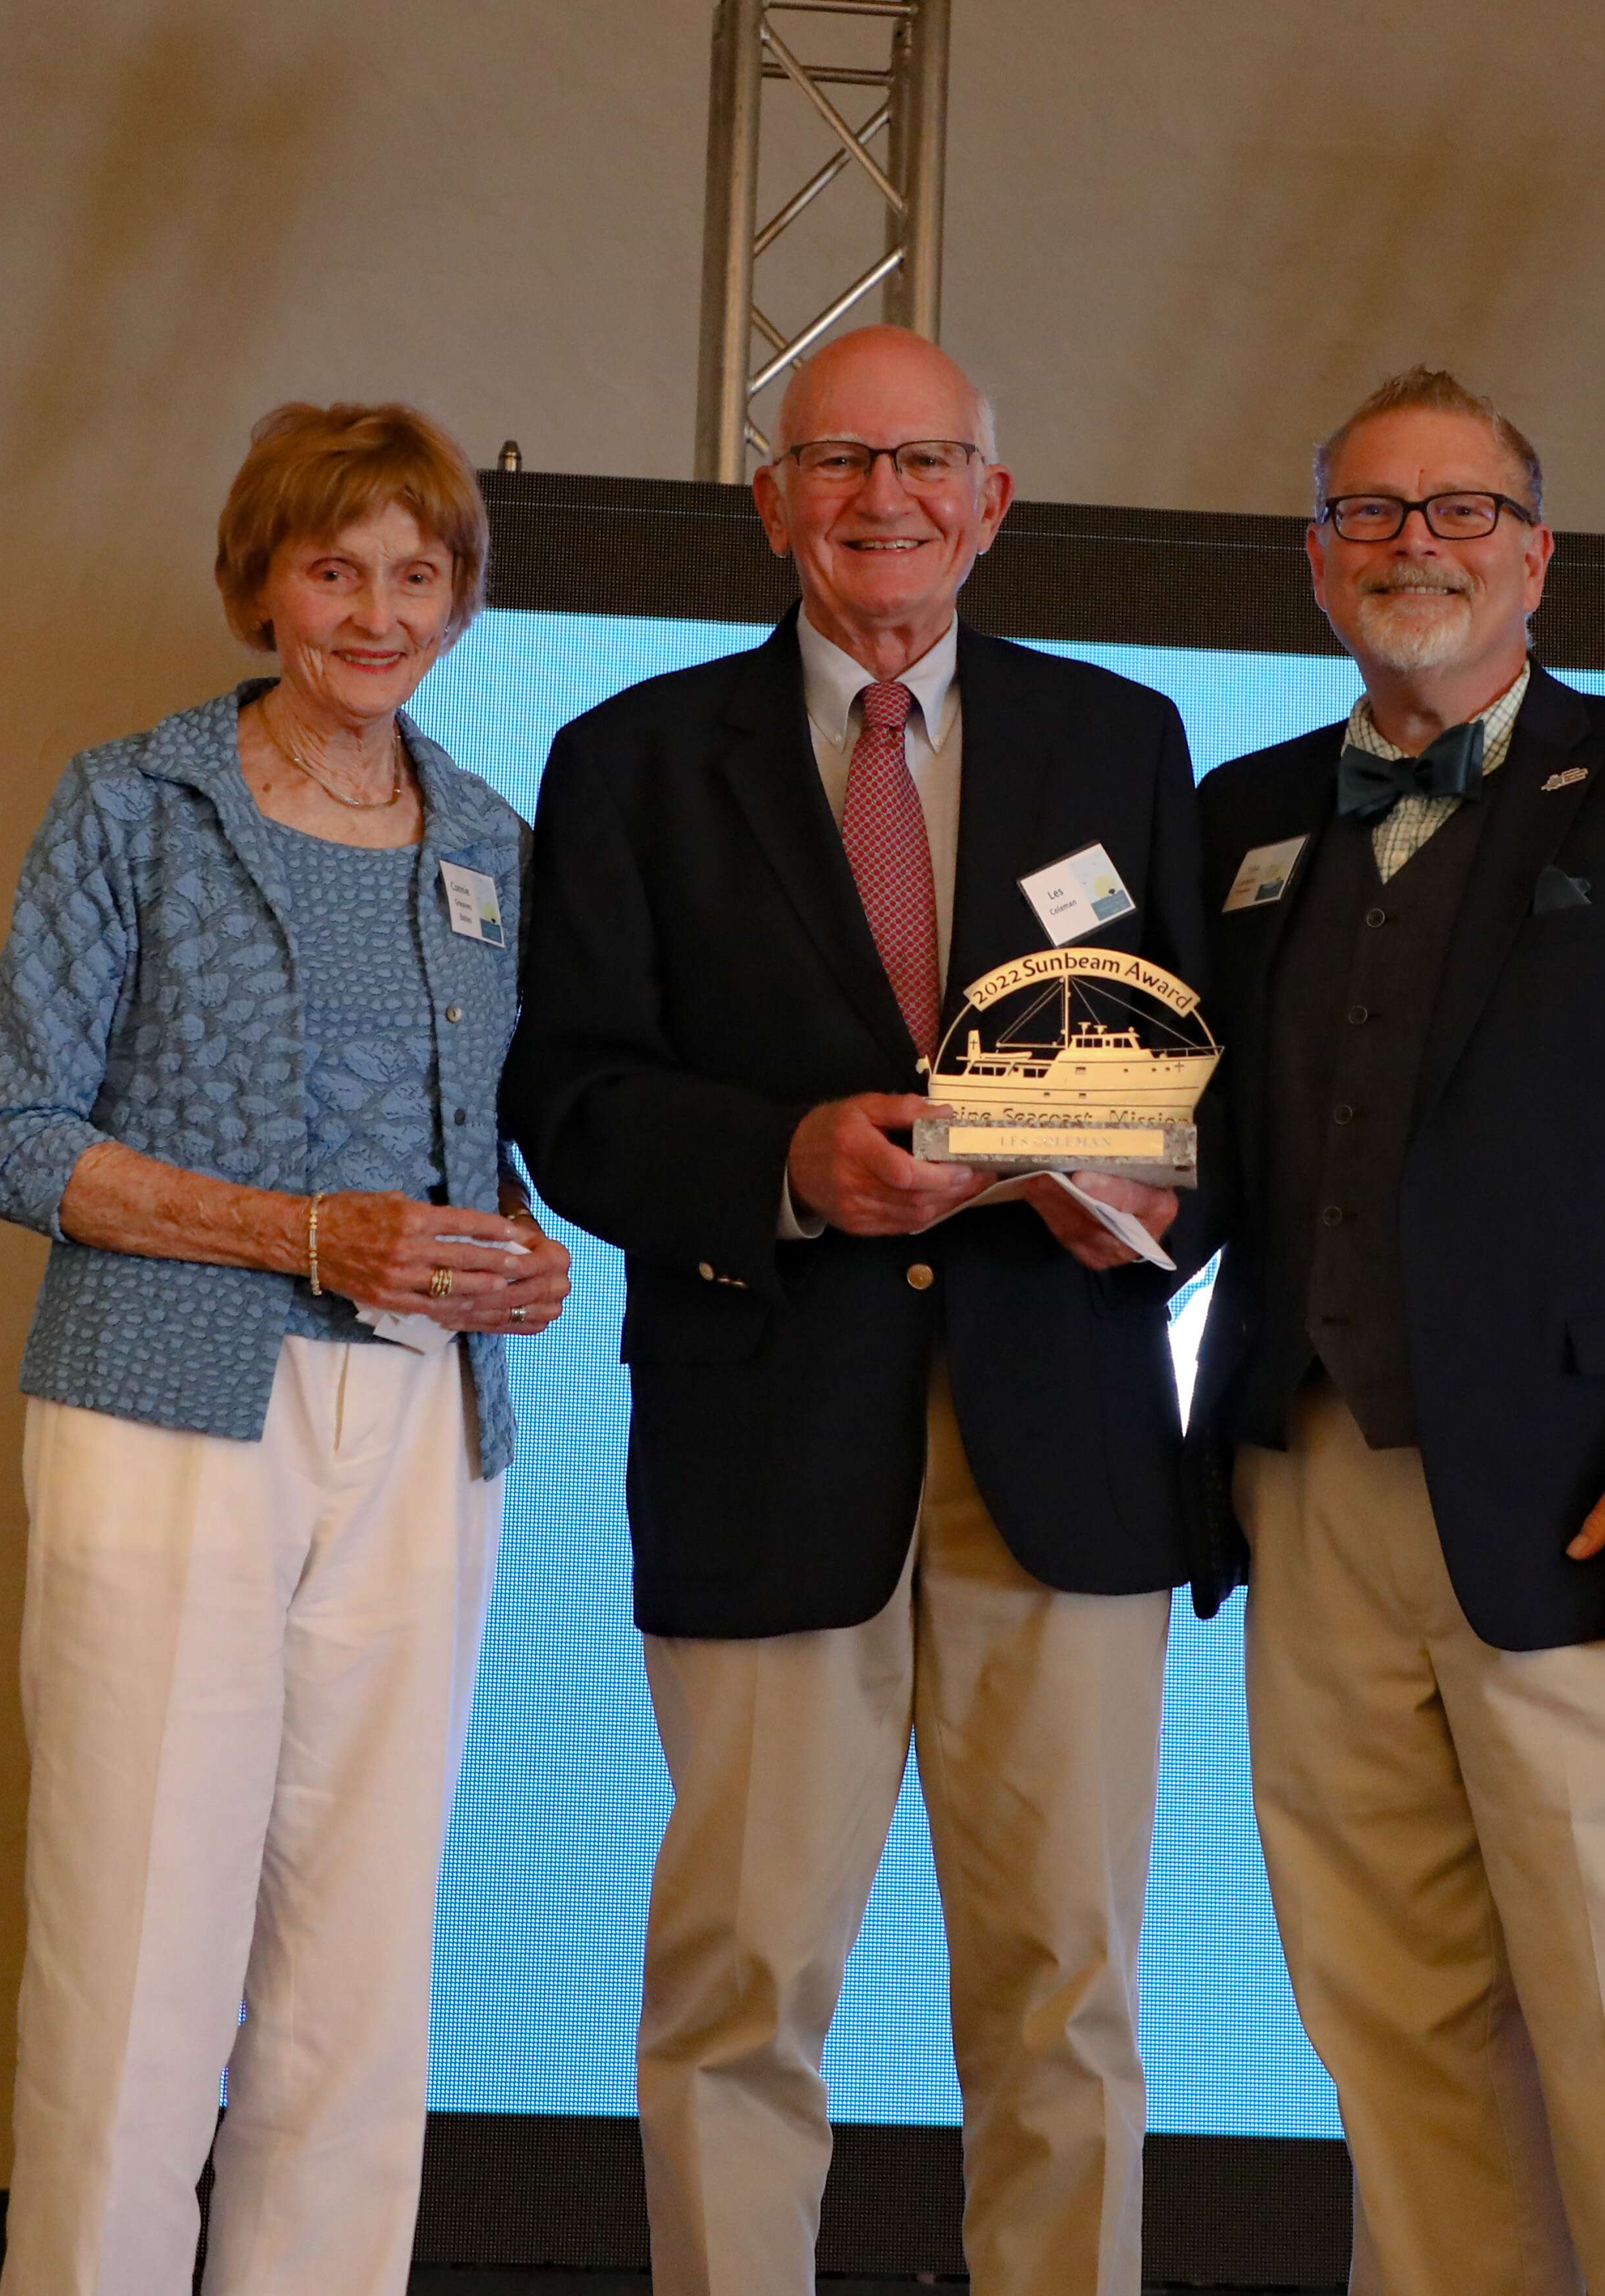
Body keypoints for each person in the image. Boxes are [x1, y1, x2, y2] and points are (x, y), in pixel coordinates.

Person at [501, 325, 1209, 2296]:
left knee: (1065, 1991)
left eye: (922, 463)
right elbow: (569, 1096)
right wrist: (785, 1162)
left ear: (993, 504)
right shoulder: (631, 757)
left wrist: (1157, 1202)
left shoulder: (1122, 742)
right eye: (832, 461)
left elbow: (1204, 1090)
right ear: (768, 501)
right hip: (763, 1441)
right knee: (739, 1982)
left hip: (1058, 1443)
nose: (878, 499)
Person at [1187, 367, 1605, 2296]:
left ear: (1536, 552)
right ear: (1319, 561)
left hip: (1602, 1510)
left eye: (1462, 508)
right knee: (1395, 2040)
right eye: (1376, 513)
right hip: (1308, 1490)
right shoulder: (1239, 819)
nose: (1420, 544)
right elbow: (1193, 1150)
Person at [0, 400, 572, 2296]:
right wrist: (301, 1235)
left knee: (362, 1968)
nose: (375, 611)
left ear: (459, 600)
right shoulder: (132, 802)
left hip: (418, 1426)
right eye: (335, 568)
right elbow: (11, 1136)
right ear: (261, 581)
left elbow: (491, 1137)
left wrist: (523, 1258)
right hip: (168, 1404)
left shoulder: (489, 835)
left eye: (415, 572)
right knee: (139, 1956)